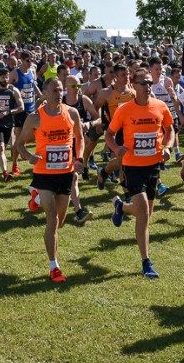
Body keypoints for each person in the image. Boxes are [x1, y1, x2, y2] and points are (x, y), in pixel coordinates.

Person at [105, 68, 174, 279]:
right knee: (143, 212)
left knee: (146, 214)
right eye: (143, 83)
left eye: (149, 83)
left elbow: (170, 129)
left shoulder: (160, 107)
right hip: (132, 166)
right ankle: (146, 262)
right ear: (133, 86)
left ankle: (122, 207)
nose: (147, 87)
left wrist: (168, 147)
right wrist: (117, 150)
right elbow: (109, 134)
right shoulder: (124, 110)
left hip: (153, 167)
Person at [14, 78, 84, 283]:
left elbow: (79, 137)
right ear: (44, 93)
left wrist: (79, 158)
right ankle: (54, 266)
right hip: (43, 173)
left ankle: (34, 199)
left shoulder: (71, 113)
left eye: (60, 90)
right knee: (52, 218)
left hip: (65, 173)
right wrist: (29, 157)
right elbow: (19, 145)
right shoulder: (35, 118)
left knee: (60, 222)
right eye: (54, 90)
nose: (58, 93)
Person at [60, 75, 97, 223]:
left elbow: (98, 118)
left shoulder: (84, 100)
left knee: (73, 177)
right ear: (66, 87)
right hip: (61, 144)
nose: (78, 89)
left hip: (77, 144)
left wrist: (89, 124)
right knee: (63, 178)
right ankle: (38, 195)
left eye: (79, 85)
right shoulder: (59, 101)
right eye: (74, 86)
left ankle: (79, 211)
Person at [95, 64, 137, 189]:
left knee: (122, 162)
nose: (127, 77)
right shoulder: (106, 92)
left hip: (132, 130)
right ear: (116, 77)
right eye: (124, 75)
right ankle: (128, 195)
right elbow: (95, 107)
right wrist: (99, 122)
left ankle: (104, 172)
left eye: (128, 74)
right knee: (123, 162)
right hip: (116, 131)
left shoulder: (133, 92)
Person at [0, 69, 24, 181]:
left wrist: (8, 112)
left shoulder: (13, 90)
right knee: (2, 147)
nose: (5, 79)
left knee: (3, 146)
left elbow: (21, 107)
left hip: (8, 123)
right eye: (3, 77)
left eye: (7, 77)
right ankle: (5, 173)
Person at [10, 52, 42, 176]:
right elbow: (6, 87)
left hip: (31, 109)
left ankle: (23, 153)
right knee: (19, 139)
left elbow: (34, 86)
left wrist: (41, 96)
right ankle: (14, 164)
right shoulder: (15, 73)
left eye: (32, 60)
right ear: (22, 60)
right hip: (20, 110)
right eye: (28, 60)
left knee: (34, 135)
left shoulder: (32, 71)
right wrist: (15, 94)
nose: (30, 62)